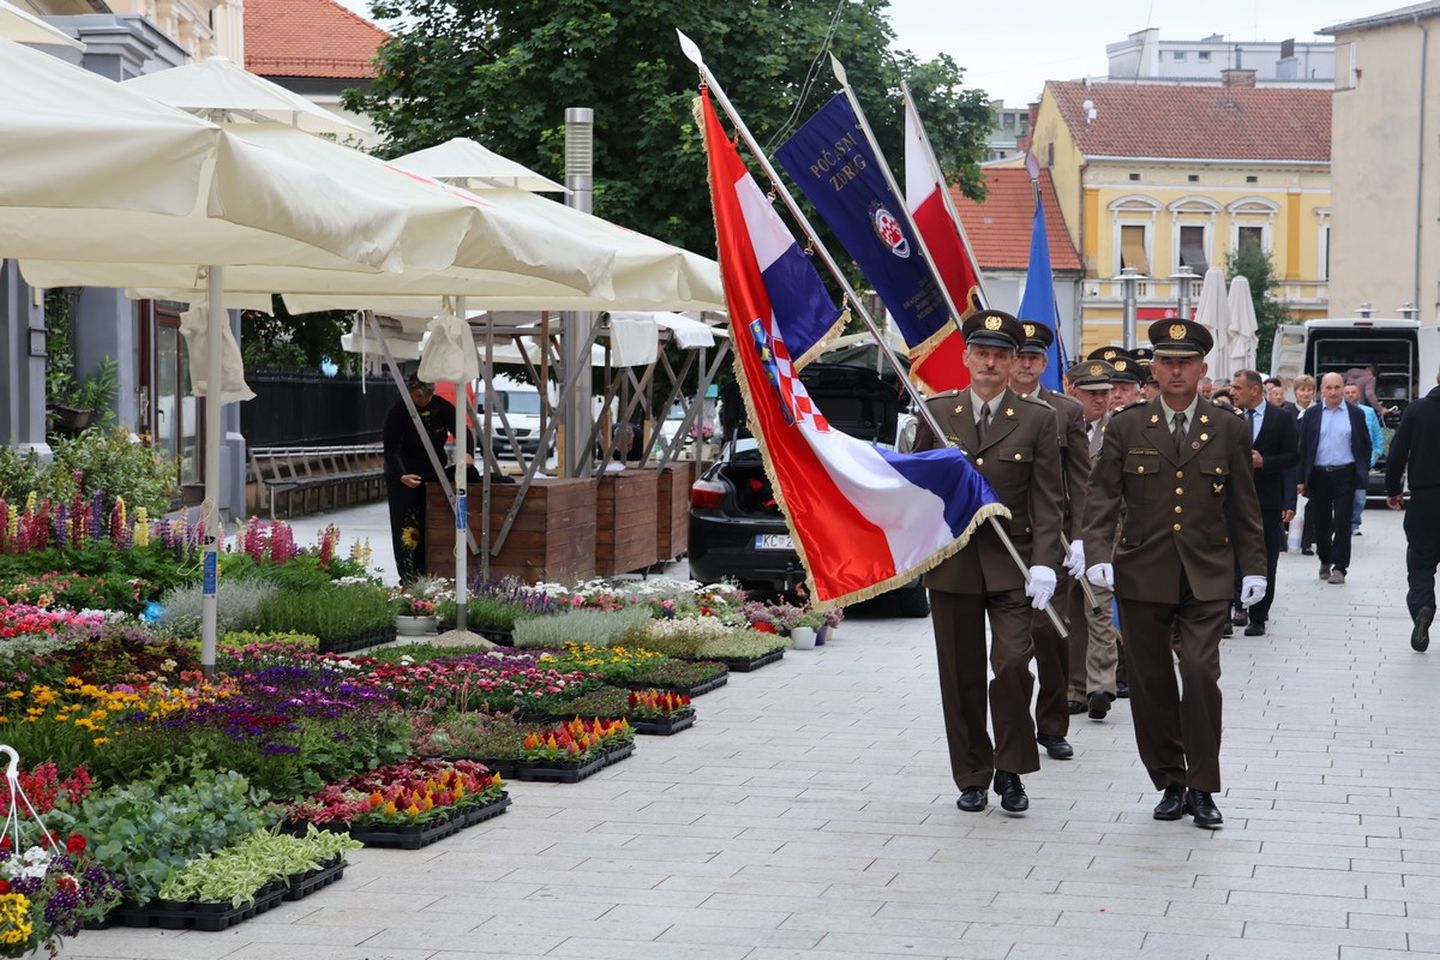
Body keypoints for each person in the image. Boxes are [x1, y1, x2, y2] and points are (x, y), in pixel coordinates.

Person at [1083, 317, 1266, 829]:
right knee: (1151, 681)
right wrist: (1097, 549)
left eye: (1186, 363)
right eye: (1167, 362)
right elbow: (1102, 497)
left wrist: (1255, 568)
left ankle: (1204, 785)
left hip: (1206, 571)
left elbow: (1244, 507)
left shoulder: (1228, 426)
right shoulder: (1126, 425)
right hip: (1143, 570)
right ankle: (1169, 779)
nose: (1177, 371)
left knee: (1203, 673)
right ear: (1154, 370)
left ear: (1203, 369)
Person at [913, 310, 1064, 815]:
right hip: (954, 564)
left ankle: (1012, 769)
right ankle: (972, 774)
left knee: (1014, 665)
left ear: (1013, 362)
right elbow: (917, 493)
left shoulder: (1038, 419)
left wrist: (1047, 562)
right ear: (966, 357)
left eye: (1001, 355)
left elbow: (1049, 500)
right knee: (959, 675)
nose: (991, 363)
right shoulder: (936, 413)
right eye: (982, 353)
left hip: (1013, 565)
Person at [1011, 321, 1089, 760]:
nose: (1025, 364)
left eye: (1033, 357)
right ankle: (1015, 723)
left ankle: (1053, 724)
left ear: (1045, 363)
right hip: (1005, 538)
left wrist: (1081, 538)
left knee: (1051, 632)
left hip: (1052, 538)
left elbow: (1081, 481)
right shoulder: (988, 407)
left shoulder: (1066, 411)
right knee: (1012, 644)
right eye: (1019, 356)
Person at [1062, 359, 1121, 720]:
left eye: (1105, 393)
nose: (1101, 401)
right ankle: (1074, 687)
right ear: (1073, 392)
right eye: (1093, 394)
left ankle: (1101, 685)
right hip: (1064, 535)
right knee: (1070, 614)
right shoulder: (1057, 424)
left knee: (1098, 608)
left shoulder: (1118, 430)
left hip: (1102, 532)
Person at [1231, 369, 1298, 636]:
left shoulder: (1280, 418)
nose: (1233, 392)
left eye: (1238, 387)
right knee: (1230, 554)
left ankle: (1258, 615)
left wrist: (1265, 463)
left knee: (1266, 557)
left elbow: (1293, 456)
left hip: (1267, 500)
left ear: (1255, 390)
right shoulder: (1229, 417)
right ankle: (1235, 607)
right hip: (1232, 498)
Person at [383, 372, 466, 583]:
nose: (423, 400)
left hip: (433, 473)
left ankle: (432, 571)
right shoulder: (399, 411)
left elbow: (462, 431)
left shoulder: (440, 407)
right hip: (405, 476)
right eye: (418, 396)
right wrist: (402, 474)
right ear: (410, 392)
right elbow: (391, 449)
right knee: (407, 527)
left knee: (431, 522)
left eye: (427, 396)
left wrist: (467, 455)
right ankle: (409, 575)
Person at [1298, 372, 1373, 585]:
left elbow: (1364, 445)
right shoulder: (1311, 415)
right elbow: (1302, 448)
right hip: (1319, 475)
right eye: (1328, 388)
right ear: (1321, 390)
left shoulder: (1355, 414)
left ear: (1344, 388)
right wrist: (1300, 478)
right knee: (1321, 523)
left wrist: (1362, 470)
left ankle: (1340, 567)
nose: (1333, 392)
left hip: (1345, 474)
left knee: (1342, 522)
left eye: (1337, 387)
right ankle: (1325, 558)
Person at [1387, 369, 1440, 651]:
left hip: (1425, 498)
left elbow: (1397, 452)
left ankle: (1423, 606)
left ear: (1438, 377)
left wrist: (1393, 489)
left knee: (1420, 562)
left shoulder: (1417, 410)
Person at [1343, 383, 1384, 536]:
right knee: (1342, 495)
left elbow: (1377, 435)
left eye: (1353, 392)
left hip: (1361, 462)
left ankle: (1354, 523)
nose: (1350, 395)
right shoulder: (1339, 412)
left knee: (1359, 496)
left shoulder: (1368, 412)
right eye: (1347, 392)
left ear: (1358, 394)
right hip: (1343, 461)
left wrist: (1376, 454)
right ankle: (1342, 523)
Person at [1289, 374, 1318, 553]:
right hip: (1292, 464)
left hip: (1311, 466)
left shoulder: (1318, 413)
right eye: (1302, 390)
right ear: (1295, 392)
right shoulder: (1287, 412)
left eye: (1309, 390)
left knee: (1310, 505)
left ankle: (1307, 541)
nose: (1305, 394)